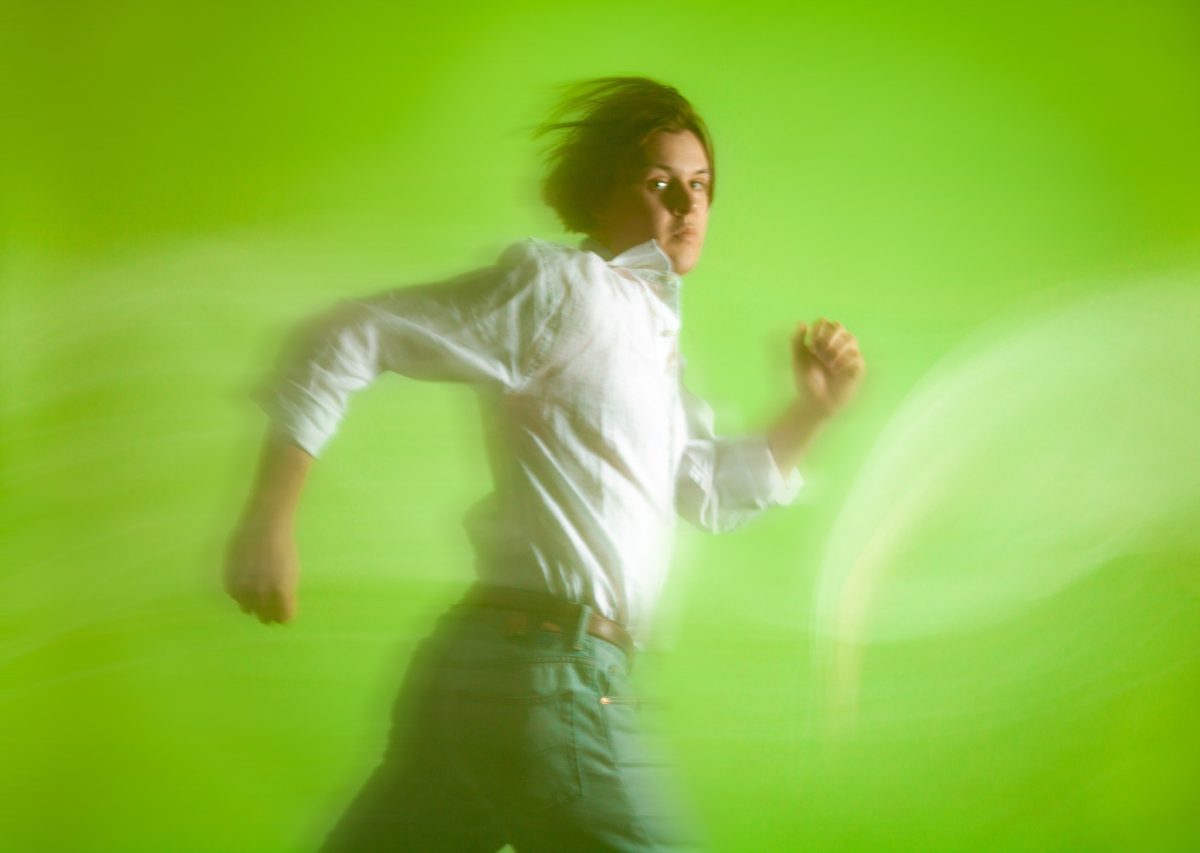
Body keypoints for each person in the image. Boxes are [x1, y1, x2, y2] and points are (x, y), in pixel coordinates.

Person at [223, 76, 865, 852]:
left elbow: (701, 487)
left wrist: (810, 412)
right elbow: (350, 334)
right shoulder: (565, 290)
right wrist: (268, 519)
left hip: (490, 669)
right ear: (601, 195)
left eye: (700, 186)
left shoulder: (648, 336)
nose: (688, 206)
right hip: (552, 670)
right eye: (660, 183)